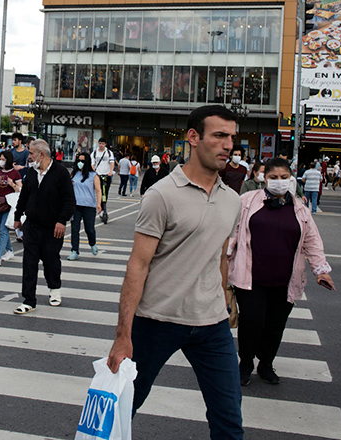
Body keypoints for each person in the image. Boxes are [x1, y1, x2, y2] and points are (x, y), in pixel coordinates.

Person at [107, 105, 243, 438]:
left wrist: (227, 296)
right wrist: (123, 335)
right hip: (157, 321)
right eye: (219, 136)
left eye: (232, 138)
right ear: (193, 138)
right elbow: (137, 265)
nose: (228, 145)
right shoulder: (161, 195)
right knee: (120, 409)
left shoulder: (232, 200)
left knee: (229, 419)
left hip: (211, 324)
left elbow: (220, 255)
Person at [228, 158, 335, 386]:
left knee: (275, 326)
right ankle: (245, 363)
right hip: (250, 279)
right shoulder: (246, 202)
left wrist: (321, 270)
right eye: (273, 178)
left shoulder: (300, 209)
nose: (279, 182)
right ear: (263, 178)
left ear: (291, 179)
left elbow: (312, 242)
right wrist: (220, 270)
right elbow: (231, 237)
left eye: (284, 178)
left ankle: (266, 363)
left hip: (285, 280)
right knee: (252, 321)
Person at [12, 140, 76, 314]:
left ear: (42, 154)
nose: (29, 156)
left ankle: (54, 289)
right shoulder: (31, 173)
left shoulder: (61, 173)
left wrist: (62, 221)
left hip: (52, 227)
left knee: (51, 260)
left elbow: (70, 201)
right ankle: (29, 300)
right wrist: (17, 217)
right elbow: (24, 196)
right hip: (31, 225)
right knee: (29, 262)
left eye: (31, 153)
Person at [67, 152, 102, 261]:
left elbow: (98, 190)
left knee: (89, 229)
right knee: (75, 228)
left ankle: (92, 243)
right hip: (75, 206)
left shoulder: (93, 175)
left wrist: (99, 204)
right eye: (79, 161)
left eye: (83, 161)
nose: (80, 163)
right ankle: (74, 250)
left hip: (89, 206)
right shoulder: (74, 174)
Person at [91, 138, 116, 223]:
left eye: (103, 144)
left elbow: (112, 162)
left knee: (106, 193)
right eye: (100, 143)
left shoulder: (109, 153)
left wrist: (111, 171)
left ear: (105, 144)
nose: (101, 145)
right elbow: (92, 164)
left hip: (107, 175)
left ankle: (102, 209)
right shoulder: (94, 153)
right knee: (99, 192)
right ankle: (101, 210)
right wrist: (94, 170)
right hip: (98, 175)